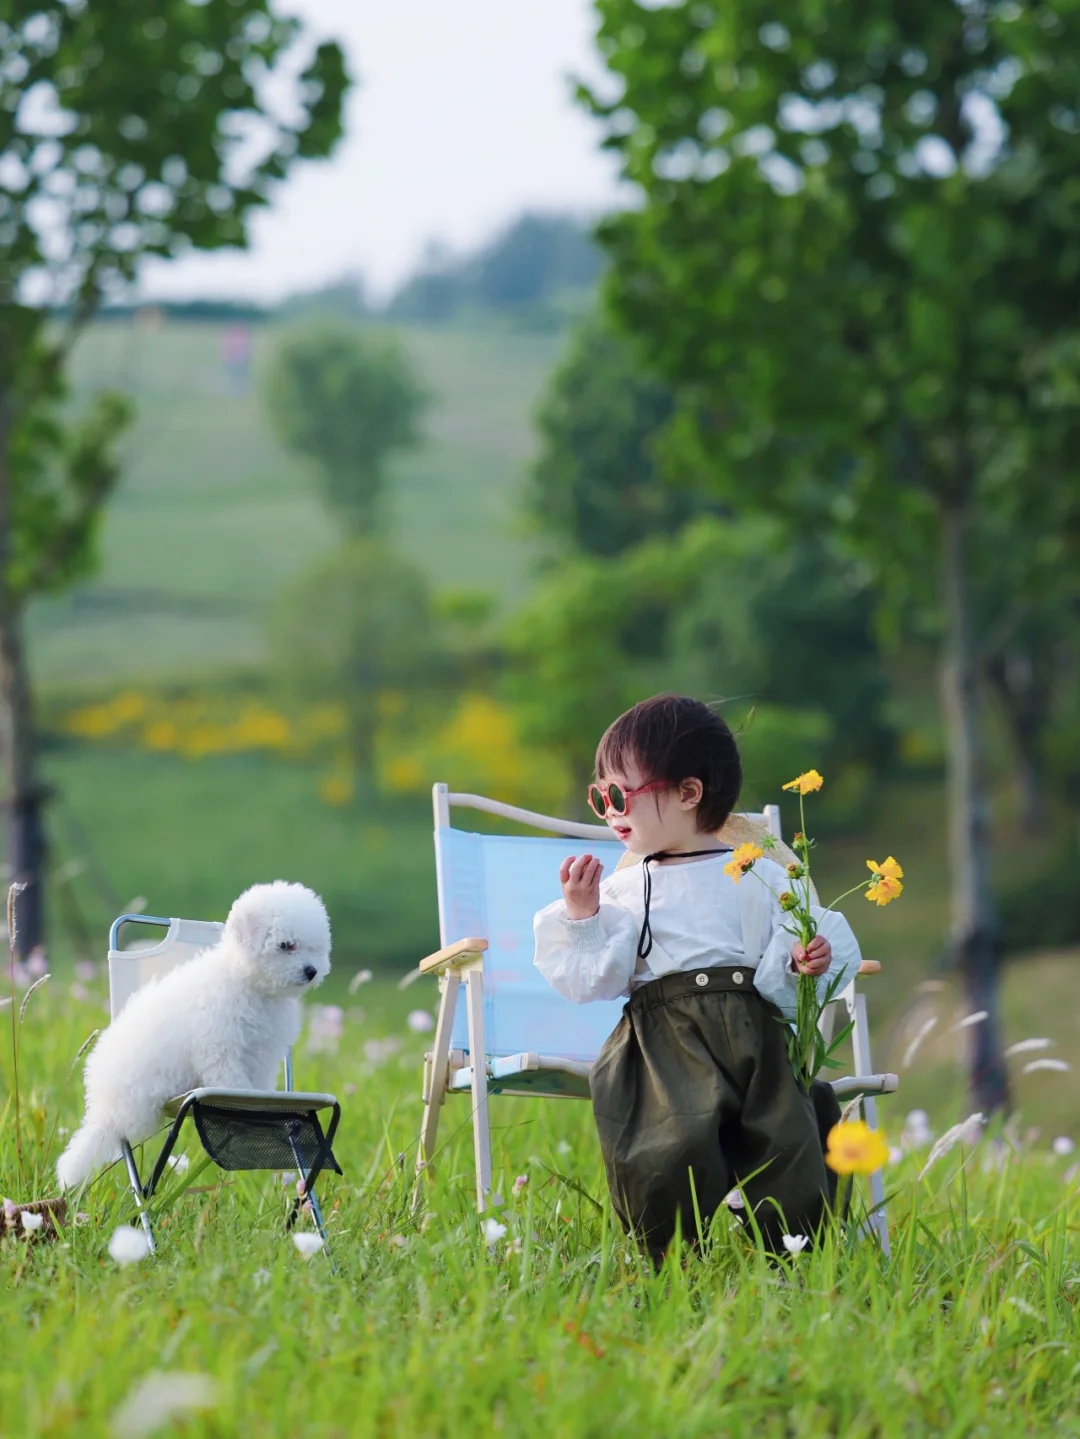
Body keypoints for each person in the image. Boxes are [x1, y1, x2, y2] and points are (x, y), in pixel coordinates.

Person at [532, 693, 862, 1261]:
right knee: (666, 1145)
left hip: (753, 1033)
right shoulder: (623, 890)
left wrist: (805, 957)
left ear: (688, 793)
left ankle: (793, 1254)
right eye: (600, 796)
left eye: (621, 794)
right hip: (662, 1046)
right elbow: (595, 981)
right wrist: (584, 917)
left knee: (788, 1135)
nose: (610, 811)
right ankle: (673, 1256)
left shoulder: (757, 872)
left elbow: (789, 947)